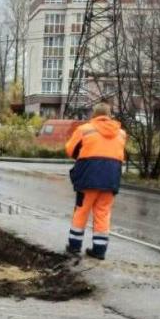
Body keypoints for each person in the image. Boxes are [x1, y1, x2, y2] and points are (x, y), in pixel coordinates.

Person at [64, 103, 126, 260]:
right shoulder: (121, 134)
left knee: (81, 211)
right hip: (111, 179)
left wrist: (84, 154)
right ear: (109, 115)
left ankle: (74, 246)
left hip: (88, 178)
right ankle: (99, 250)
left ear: (94, 114)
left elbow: (70, 150)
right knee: (103, 213)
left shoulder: (85, 130)